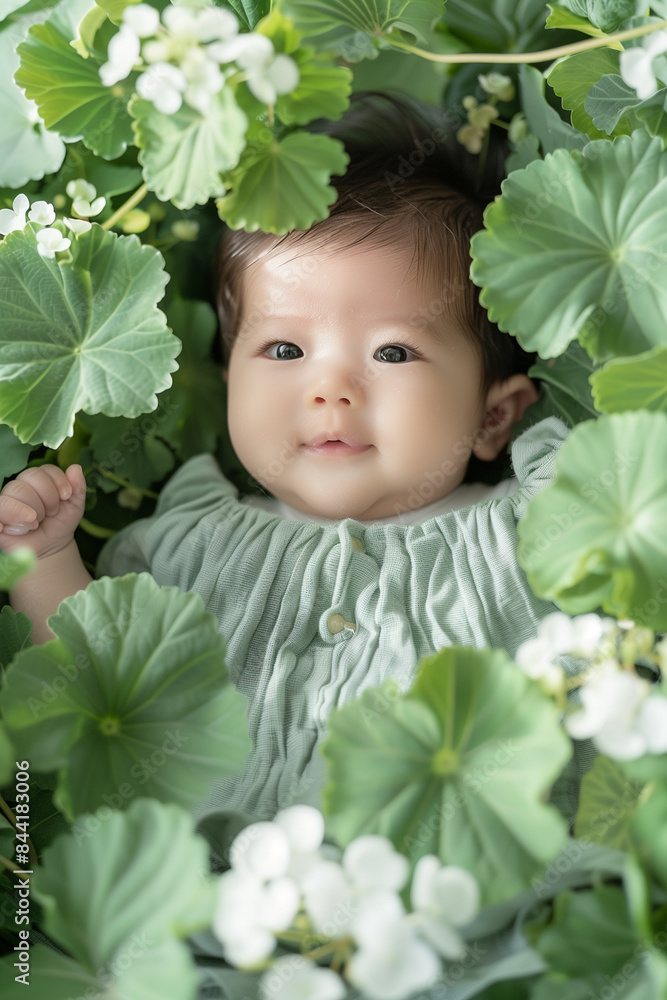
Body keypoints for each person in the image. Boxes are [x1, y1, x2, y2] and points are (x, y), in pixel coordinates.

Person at [0, 91, 589, 826]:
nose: (331, 390)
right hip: (206, 903)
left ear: (492, 416)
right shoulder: (195, 547)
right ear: (228, 376)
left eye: (393, 352)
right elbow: (99, 697)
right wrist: (48, 563)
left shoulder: (535, 536)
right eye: (284, 349)